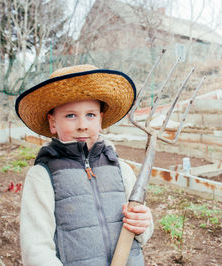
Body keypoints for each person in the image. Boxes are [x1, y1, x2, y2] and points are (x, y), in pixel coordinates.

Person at [15, 64, 154, 266]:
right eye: (70, 115)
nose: (82, 124)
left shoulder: (120, 169)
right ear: (53, 123)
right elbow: (36, 250)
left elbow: (142, 232)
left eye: (91, 115)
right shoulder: (43, 176)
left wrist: (143, 224)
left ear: (100, 120)